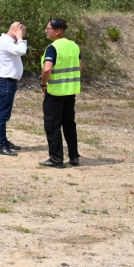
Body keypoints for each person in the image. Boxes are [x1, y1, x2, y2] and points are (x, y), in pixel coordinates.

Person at [39, 18, 81, 168]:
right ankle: (74, 156)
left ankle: (56, 159)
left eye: (48, 28)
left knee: (52, 126)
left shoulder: (52, 47)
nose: (46, 30)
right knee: (69, 125)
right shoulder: (74, 46)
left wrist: (43, 83)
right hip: (70, 93)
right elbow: (80, 66)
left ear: (57, 31)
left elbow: (47, 69)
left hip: (55, 93)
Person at [0, 21, 27, 156]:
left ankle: (3, 141)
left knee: (4, 114)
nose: (23, 36)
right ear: (16, 30)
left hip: (8, 82)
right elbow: (22, 50)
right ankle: (1, 145)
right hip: (5, 82)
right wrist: (19, 37)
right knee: (3, 114)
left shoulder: (6, 42)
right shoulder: (5, 42)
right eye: (22, 32)